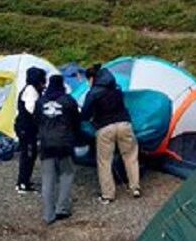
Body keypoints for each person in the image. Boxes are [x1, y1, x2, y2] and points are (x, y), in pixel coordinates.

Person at [82, 64, 140, 203]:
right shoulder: (116, 88)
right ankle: (135, 187)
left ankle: (108, 195)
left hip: (105, 128)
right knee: (130, 156)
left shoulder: (93, 93)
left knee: (105, 162)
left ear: (92, 78)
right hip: (124, 125)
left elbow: (85, 114)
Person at [35, 74, 80, 224]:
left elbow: (36, 120)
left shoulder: (41, 101)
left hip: (46, 144)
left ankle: (48, 215)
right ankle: (62, 208)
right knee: (66, 174)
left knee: (48, 178)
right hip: (64, 143)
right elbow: (76, 122)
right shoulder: (69, 101)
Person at [14, 67, 46, 194]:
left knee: (30, 154)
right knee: (28, 155)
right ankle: (22, 184)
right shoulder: (30, 91)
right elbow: (32, 110)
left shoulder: (32, 89)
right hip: (25, 128)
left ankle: (25, 180)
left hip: (26, 127)